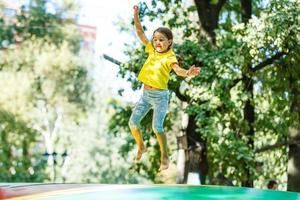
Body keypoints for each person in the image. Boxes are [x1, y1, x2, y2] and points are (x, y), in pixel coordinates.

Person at [129, 5, 201, 171]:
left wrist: (188, 73)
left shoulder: (170, 57)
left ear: (170, 42)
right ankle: (141, 146)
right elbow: (140, 32)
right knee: (132, 123)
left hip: (160, 96)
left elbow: (178, 70)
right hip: (146, 95)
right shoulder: (151, 50)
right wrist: (136, 15)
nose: (157, 42)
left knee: (157, 127)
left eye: (161, 40)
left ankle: (165, 157)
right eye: (155, 39)